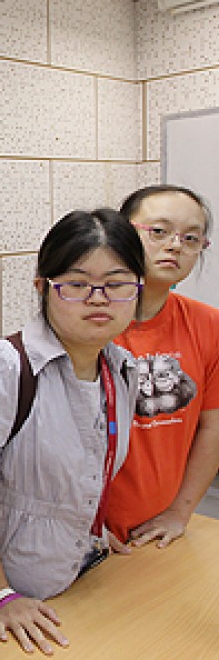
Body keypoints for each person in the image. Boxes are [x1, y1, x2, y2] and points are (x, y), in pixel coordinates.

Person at [0, 208, 143, 655]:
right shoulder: (3, 367)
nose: (98, 298)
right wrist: (1, 596)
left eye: (116, 284)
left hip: (76, 586)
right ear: (43, 288)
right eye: (76, 284)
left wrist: (83, 526)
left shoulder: (121, 369)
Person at [105, 185, 219, 549]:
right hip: (87, 533)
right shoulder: (89, 319)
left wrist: (180, 513)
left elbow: (212, 427)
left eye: (191, 238)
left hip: (159, 532)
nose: (175, 246)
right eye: (159, 231)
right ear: (122, 233)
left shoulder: (208, 325)